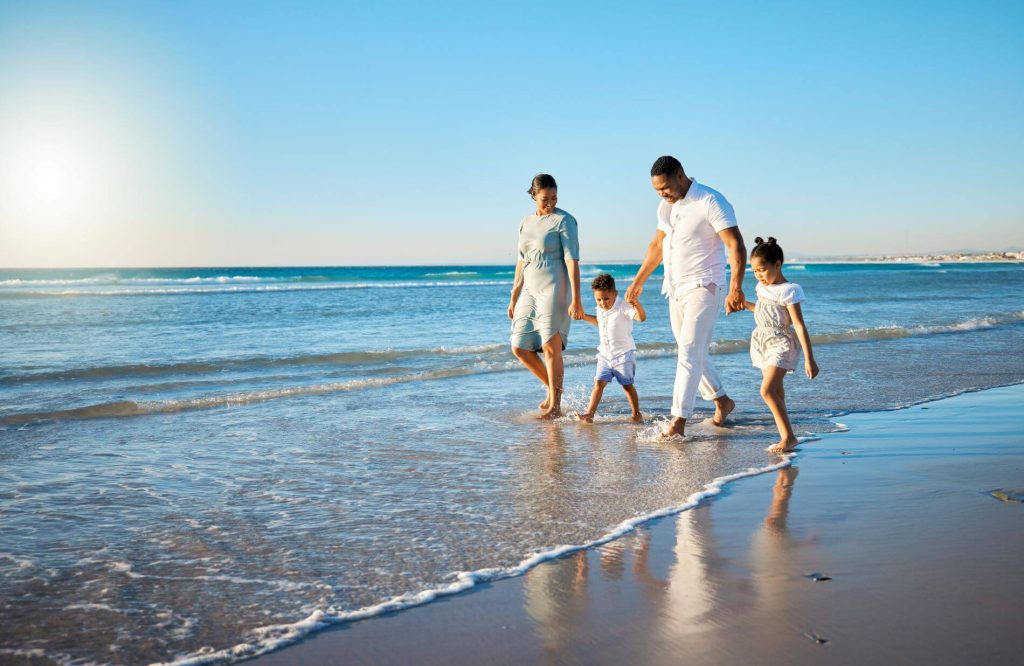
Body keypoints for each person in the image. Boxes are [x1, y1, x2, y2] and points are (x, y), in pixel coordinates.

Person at [624, 156, 746, 439]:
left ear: (681, 176)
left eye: (665, 188)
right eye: (657, 190)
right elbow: (657, 245)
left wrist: (736, 288)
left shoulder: (710, 201)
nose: (662, 194)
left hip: (705, 286)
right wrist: (639, 281)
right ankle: (722, 400)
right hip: (675, 288)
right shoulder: (666, 206)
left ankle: (678, 422)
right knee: (689, 350)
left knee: (689, 351)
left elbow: (735, 244)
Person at [508, 174, 584, 418]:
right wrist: (514, 295)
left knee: (551, 348)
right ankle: (552, 389)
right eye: (545, 199)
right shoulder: (525, 222)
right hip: (529, 288)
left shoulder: (564, 220)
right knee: (519, 347)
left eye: (554, 198)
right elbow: (521, 261)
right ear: (533, 196)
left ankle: (556, 406)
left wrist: (577, 299)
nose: (550, 203)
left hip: (555, 286)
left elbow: (572, 261)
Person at [742, 236, 820, 453]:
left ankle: (789, 437)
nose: (759, 275)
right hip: (762, 342)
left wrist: (810, 359)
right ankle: (785, 436)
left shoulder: (789, 290)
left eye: (762, 270)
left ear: (777, 264)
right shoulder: (761, 287)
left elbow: (798, 325)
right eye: (755, 271)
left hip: (781, 343)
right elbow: (766, 311)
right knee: (776, 392)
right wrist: (744, 305)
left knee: (766, 391)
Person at [575, 273, 646, 423]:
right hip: (605, 355)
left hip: (623, 355)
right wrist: (583, 316)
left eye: (606, 299)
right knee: (598, 384)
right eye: (598, 299)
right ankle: (589, 414)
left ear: (615, 293)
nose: (602, 303)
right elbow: (599, 322)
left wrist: (636, 304)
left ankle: (636, 413)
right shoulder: (600, 308)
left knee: (627, 385)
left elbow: (641, 318)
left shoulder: (623, 306)